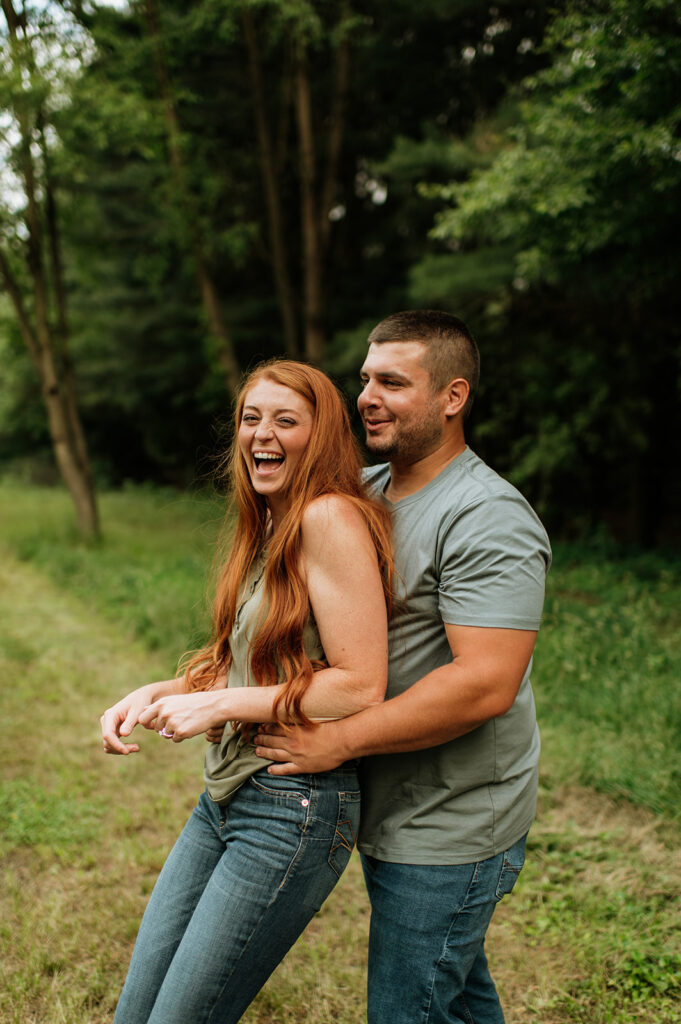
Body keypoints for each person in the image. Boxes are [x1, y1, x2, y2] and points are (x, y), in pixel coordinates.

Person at [254, 310, 552, 1024]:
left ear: (452, 397)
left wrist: (338, 740)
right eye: (364, 379)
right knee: (456, 998)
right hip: (391, 803)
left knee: (407, 1010)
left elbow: (484, 683)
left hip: (452, 820)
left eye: (392, 381)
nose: (366, 397)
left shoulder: (486, 516)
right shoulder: (360, 492)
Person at [100, 360, 393, 1024]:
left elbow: (360, 683)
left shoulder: (328, 518)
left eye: (285, 420)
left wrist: (221, 704)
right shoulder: (268, 521)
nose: (262, 433)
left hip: (294, 810)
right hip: (226, 799)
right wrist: (154, 691)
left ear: (319, 437)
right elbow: (245, 665)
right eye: (250, 418)